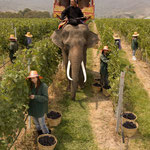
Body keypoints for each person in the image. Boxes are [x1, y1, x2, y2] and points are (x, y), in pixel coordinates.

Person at [26, 70, 50, 135]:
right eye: (31, 78)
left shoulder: (43, 86)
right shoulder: (31, 86)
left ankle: (46, 135)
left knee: (42, 124)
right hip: (33, 108)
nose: (32, 80)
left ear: (37, 78)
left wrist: (35, 97)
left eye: (34, 78)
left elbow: (45, 98)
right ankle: (40, 134)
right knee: (36, 124)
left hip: (40, 109)